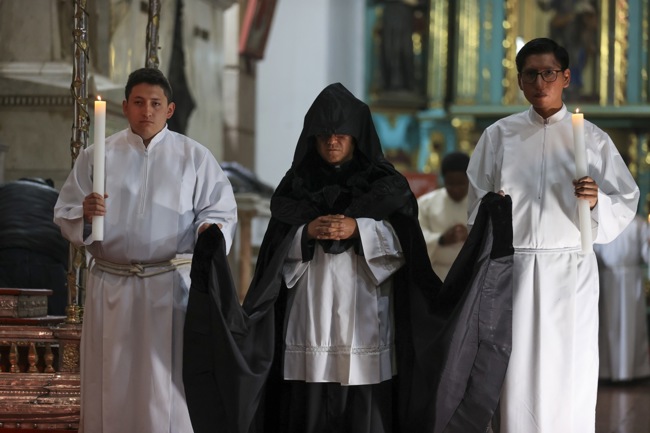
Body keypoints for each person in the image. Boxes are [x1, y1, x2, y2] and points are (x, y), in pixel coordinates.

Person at [183, 82, 515, 433]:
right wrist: (306, 233)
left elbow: (408, 249)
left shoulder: (387, 186)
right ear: (313, 138)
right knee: (308, 399)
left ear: (356, 137)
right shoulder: (295, 185)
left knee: (365, 400)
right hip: (310, 306)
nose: (332, 142)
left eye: (341, 134)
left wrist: (359, 229)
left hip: (366, 307)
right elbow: (273, 257)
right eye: (324, 135)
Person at [466, 37, 639, 433]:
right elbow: (476, 202)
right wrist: (494, 208)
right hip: (514, 268)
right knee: (515, 369)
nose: (540, 83)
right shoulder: (498, 136)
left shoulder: (593, 139)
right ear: (519, 81)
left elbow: (626, 199)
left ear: (566, 78)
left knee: (569, 368)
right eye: (530, 74)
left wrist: (595, 202)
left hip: (570, 269)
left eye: (549, 73)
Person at [53, 67, 237, 433]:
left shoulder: (194, 157)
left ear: (169, 109)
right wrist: (85, 214)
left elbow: (220, 212)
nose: (146, 111)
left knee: (164, 384)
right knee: (112, 378)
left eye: (155, 103)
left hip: (168, 287)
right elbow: (65, 212)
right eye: (138, 102)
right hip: (111, 286)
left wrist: (208, 231)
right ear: (125, 107)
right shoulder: (97, 155)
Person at [0, 177, 68, 316]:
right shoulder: (56, 195)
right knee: (54, 317)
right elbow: (70, 231)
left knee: (5, 314)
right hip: (48, 257)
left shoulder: (5, 191)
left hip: (7, 255)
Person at [595, 213, 650, 382]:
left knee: (630, 324)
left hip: (631, 280)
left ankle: (632, 371)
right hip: (607, 279)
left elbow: (646, 253)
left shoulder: (639, 224)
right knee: (608, 325)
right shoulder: (602, 221)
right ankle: (607, 371)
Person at [417, 151, 470, 281]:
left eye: (461, 183)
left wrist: (470, 236)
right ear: (443, 179)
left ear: (469, 179)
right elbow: (417, 236)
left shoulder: (480, 204)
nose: (456, 189)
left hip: (470, 273)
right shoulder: (425, 203)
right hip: (436, 274)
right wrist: (441, 239)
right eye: (450, 184)